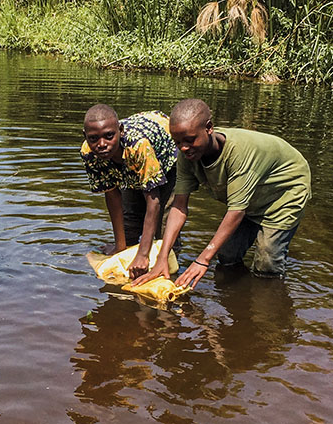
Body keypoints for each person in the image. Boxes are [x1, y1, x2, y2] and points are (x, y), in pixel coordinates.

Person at [133, 98, 311, 289]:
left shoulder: (239, 154)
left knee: (267, 263)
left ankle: (269, 302)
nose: (184, 148)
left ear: (209, 128)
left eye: (190, 140)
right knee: (227, 255)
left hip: (284, 193)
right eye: (178, 142)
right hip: (250, 197)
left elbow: (236, 211)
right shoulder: (187, 156)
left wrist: (202, 260)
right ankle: (235, 296)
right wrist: (162, 257)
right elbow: (179, 206)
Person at [81, 104, 177, 280]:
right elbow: (111, 194)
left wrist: (143, 255)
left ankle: (170, 271)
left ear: (120, 131)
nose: (101, 144)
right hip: (132, 163)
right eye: (94, 138)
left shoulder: (138, 145)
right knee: (130, 225)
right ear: (85, 136)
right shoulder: (89, 153)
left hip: (164, 153)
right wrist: (120, 247)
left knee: (164, 229)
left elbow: (153, 199)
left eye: (109, 136)